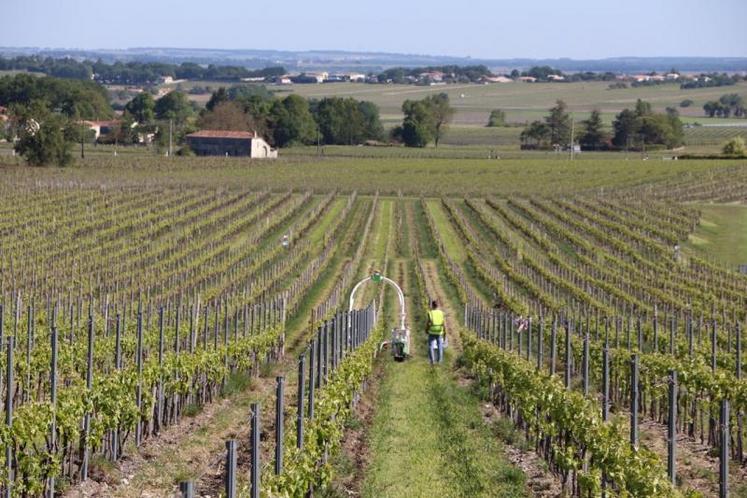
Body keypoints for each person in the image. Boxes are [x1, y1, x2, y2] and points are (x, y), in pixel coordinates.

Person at [426, 300, 446, 365]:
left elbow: (428, 323)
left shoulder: (430, 313)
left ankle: (432, 361)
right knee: (440, 346)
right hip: (439, 331)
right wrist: (445, 332)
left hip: (432, 331)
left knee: (430, 346)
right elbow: (444, 323)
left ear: (432, 305)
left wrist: (426, 329)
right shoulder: (441, 313)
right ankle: (440, 361)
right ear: (438, 305)